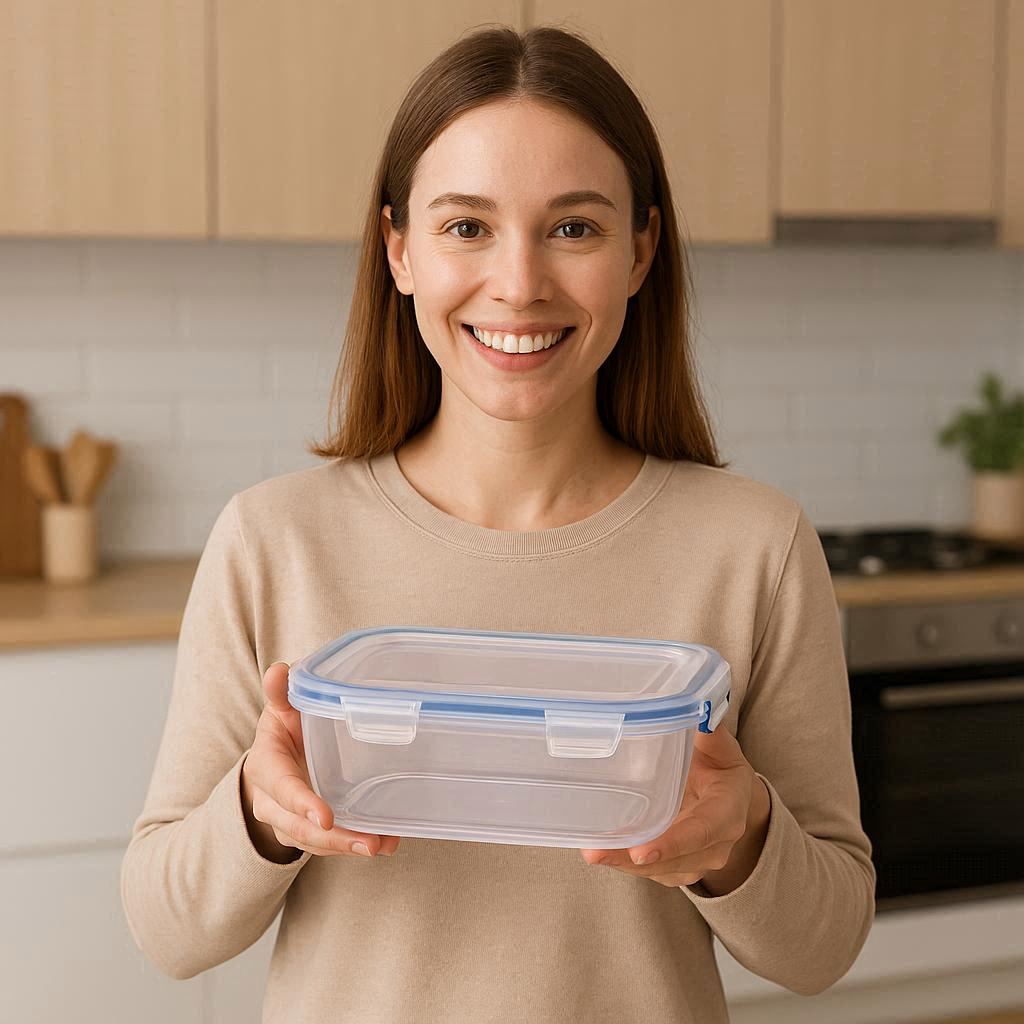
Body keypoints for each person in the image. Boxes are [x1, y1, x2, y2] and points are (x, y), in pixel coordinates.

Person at [121, 23, 875, 1023]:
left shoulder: (754, 549)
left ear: (641, 250)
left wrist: (742, 834)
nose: (519, 283)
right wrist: (259, 814)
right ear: (399, 249)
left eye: (574, 227)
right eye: (466, 226)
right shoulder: (274, 540)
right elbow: (167, 932)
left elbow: (823, 947)